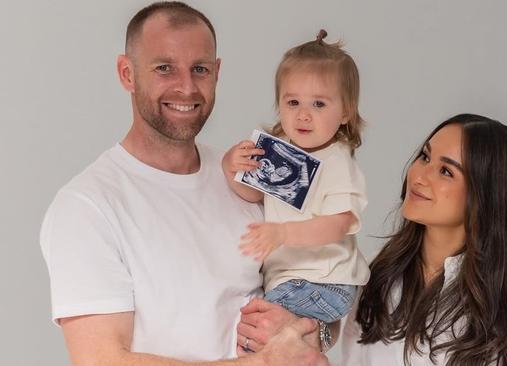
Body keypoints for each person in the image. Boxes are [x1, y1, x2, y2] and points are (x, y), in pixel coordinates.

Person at [39, 2, 326, 365]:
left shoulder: (247, 176)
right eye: (164, 68)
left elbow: (323, 283)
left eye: (200, 69)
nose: (187, 87)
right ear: (127, 73)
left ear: (217, 72)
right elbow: (100, 359)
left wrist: (306, 329)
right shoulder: (86, 206)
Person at [341, 114, 507, 365]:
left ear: (485, 197)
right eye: (425, 157)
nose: (419, 176)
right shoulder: (376, 274)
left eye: (446, 171)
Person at [222, 30, 369, 352]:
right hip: (292, 281)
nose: (303, 114)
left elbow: (339, 223)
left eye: (319, 104)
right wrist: (231, 167)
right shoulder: (281, 153)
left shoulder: (336, 161)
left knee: (256, 332)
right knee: (257, 334)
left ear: (345, 111)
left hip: (325, 281)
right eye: (293, 102)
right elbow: (251, 195)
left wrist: (283, 233)